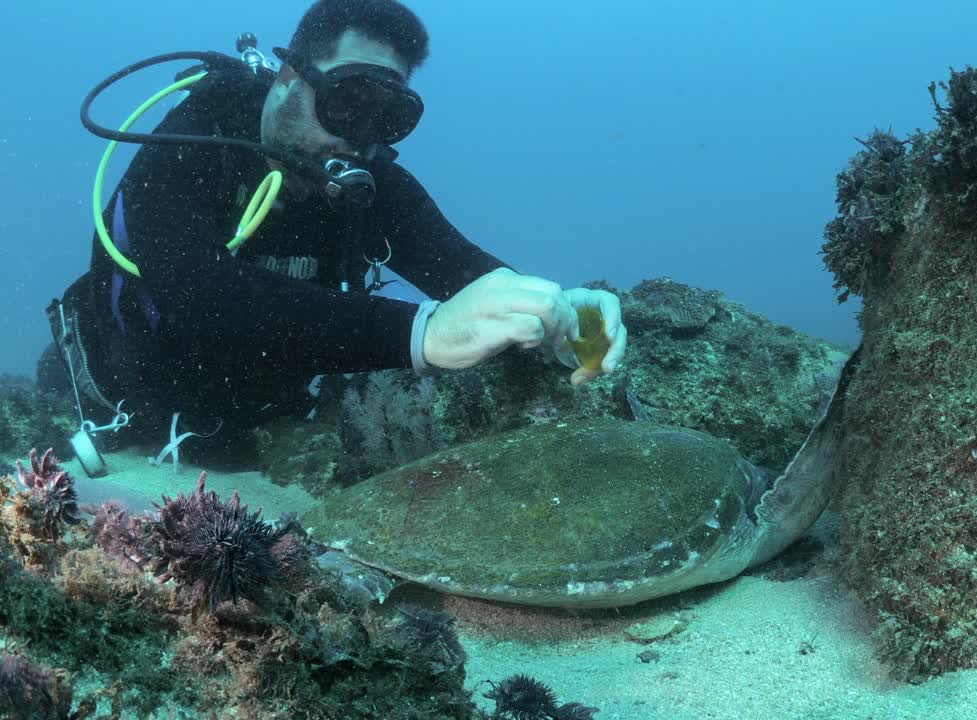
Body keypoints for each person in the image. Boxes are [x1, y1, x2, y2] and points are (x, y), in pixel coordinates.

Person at [46, 0, 627, 465]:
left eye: (389, 116)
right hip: (131, 398)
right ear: (287, 82)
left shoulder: (365, 181)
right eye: (348, 102)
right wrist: (423, 332)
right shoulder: (188, 149)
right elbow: (201, 295)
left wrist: (554, 310)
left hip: (272, 420)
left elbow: (459, 267)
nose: (360, 137)